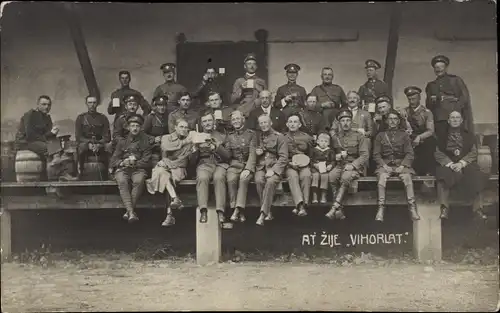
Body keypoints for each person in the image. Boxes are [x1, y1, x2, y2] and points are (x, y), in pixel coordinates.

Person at [435, 111, 489, 220]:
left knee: (476, 175)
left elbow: (473, 152)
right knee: (442, 175)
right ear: (449, 121)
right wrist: (450, 164)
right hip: (448, 163)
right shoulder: (441, 136)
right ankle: (444, 208)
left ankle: (478, 208)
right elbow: (437, 153)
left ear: (461, 121)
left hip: (465, 163)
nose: (455, 120)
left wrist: (461, 163)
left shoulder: (469, 135)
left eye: (457, 118)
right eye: (452, 118)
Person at [373, 109, 420, 222]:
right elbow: (376, 154)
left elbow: (409, 153)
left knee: (407, 178)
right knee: (382, 178)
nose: (392, 121)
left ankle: (412, 207)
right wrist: (384, 166)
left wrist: (403, 166)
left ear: (399, 121)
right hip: (385, 165)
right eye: (390, 119)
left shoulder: (404, 135)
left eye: (395, 119)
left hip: (401, 164)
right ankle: (381, 208)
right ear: (386, 121)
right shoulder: (380, 135)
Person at [146, 119, 195, 226]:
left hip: (178, 169)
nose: (184, 129)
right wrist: (184, 143)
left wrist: (166, 163)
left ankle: (171, 209)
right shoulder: (166, 138)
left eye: (186, 127)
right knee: (163, 173)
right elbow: (166, 147)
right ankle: (174, 200)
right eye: (181, 127)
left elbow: (183, 160)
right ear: (175, 128)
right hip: (167, 167)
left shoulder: (191, 141)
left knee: (162, 172)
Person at [326, 110, 369, 220]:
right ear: (339, 123)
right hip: (340, 165)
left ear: (352, 122)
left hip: (355, 167)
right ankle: (339, 209)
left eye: (348, 120)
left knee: (345, 177)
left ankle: (335, 206)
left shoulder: (359, 136)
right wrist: (336, 157)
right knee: (331, 176)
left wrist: (353, 165)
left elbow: (364, 155)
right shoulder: (336, 137)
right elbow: (332, 153)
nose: (345, 123)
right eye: (343, 121)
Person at [110, 114, 152, 223]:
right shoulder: (122, 142)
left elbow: (147, 161)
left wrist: (136, 163)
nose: (135, 128)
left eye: (137, 126)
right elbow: (113, 160)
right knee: (122, 181)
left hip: (138, 169)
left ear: (141, 127)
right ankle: (131, 212)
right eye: (132, 125)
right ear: (128, 127)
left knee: (138, 181)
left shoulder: (145, 141)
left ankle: (129, 212)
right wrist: (123, 162)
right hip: (123, 169)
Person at [191, 110, 230, 224]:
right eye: (205, 121)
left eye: (209, 120)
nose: (207, 123)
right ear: (202, 124)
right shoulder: (197, 136)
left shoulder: (222, 135)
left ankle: (220, 211)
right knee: (202, 177)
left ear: (214, 122)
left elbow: (228, 155)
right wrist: (194, 150)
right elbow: (192, 162)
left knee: (219, 177)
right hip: (205, 163)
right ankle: (203, 210)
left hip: (220, 163)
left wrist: (216, 148)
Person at [425, 55, 473, 141]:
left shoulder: (455, 80)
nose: (438, 69)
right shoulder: (431, 85)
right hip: (439, 120)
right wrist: (432, 100)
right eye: (436, 67)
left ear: (446, 68)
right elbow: (428, 105)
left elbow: (464, 98)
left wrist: (455, 112)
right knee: (442, 141)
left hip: (455, 118)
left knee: (456, 141)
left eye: (441, 67)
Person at [14, 95, 60, 180]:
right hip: (26, 142)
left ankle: (56, 176)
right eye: (44, 104)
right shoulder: (30, 115)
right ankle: (52, 180)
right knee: (50, 149)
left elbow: (46, 136)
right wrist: (50, 134)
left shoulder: (47, 117)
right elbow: (30, 136)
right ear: (37, 104)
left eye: (49, 105)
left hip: (38, 141)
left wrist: (53, 134)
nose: (47, 107)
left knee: (58, 147)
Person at [254, 114, 288, 226]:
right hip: (261, 166)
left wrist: (273, 170)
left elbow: (283, 157)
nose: (264, 125)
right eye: (261, 123)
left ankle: (263, 214)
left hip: (274, 166)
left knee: (270, 181)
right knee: (259, 180)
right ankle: (268, 211)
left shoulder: (279, 137)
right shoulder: (258, 137)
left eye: (265, 122)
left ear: (271, 123)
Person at [225, 110, 257, 223]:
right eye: (233, 120)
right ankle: (237, 209)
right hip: (234, 165)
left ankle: (237, 210)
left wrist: (248, 169)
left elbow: (253, 153)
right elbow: (228, 155)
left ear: (243, 120)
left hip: (248, 164)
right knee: (231, 179)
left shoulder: (251, 134)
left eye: (238, 119)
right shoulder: (229, 136)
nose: (236, 121)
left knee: (243, 180)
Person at [401, 86, 436, 175]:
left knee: (430, 143)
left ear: (419, 98)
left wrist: (419, 137)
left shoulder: (426, 112)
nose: (411, 102)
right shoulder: (404, 111)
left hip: (423, 139)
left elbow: (430, 131)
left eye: (414, 99)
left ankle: (426, 173)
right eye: (409, 99)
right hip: (408, 138)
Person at [284, 113, 314, 217]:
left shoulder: (307, 138)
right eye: (290, 122)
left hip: (304, 164)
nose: (292, 124)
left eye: (295, 122)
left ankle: (304, 203)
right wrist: (289, 163)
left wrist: (307, 163)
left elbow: (311, 154)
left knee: (306, 175)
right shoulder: (282, 138)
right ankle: (300, 205)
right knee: (293, 176)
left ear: (300, 124)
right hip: (289, 165)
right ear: (287, 124)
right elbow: (280, 155)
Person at [75, 95, 111, 177]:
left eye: (94, 102)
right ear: (86, 104)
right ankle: (78, 172)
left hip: (99, 143)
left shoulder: (103, 118)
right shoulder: (80, 118)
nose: (92, 105)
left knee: (109, 147)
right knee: (80, 147)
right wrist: (89, 144)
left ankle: (110, 171)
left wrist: (99, 145)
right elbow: (78, 136)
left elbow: (107, 136)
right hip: (86, 143)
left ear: (97, 104)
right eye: (90, 102)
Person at [144, 96, 170, 167]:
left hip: (166, 143)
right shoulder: (150, 117)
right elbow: (142, 133)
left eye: (164, 105)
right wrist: (153, 139)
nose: (162, 108)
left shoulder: (169, 117)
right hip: (153, 145)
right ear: (155, 106)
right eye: (159, 105)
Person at [311, 132, 335, 204]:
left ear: (328, 143)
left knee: (325, 177)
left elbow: (333, 160)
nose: (323, 143)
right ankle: (314, 196)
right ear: (317, 141)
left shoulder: (330, 151)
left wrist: (330, 165)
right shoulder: (314, 150)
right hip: (315, 168)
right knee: (315, 176)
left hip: (325, 169)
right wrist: (314, 165)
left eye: (326, 141)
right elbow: (310, 160)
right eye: (321, 141)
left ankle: (323, 195)